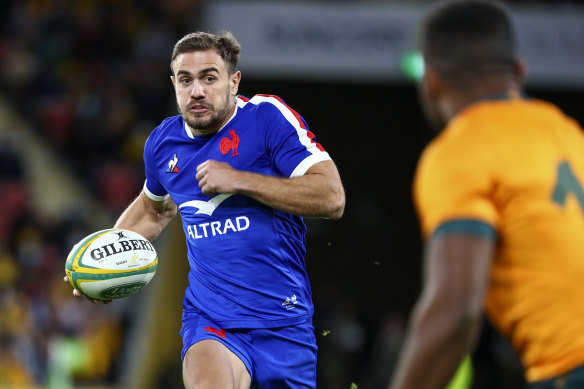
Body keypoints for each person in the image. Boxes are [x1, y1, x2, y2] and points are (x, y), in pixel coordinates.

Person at [65, 30, 345, 389]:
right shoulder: (163, 144)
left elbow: (332, 197)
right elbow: (154, 210)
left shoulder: (267, 119)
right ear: (174, 84)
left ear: (233, 81)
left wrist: (240, 180)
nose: (197, 90)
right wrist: (100, 260)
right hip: (211, 318)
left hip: (284, 324)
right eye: (186, 80)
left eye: (209, 78)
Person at [388, 1, 584, 388]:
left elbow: (456, 312)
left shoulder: (459, 151)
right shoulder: (569, 133)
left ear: (433, 83)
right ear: (520, 72)